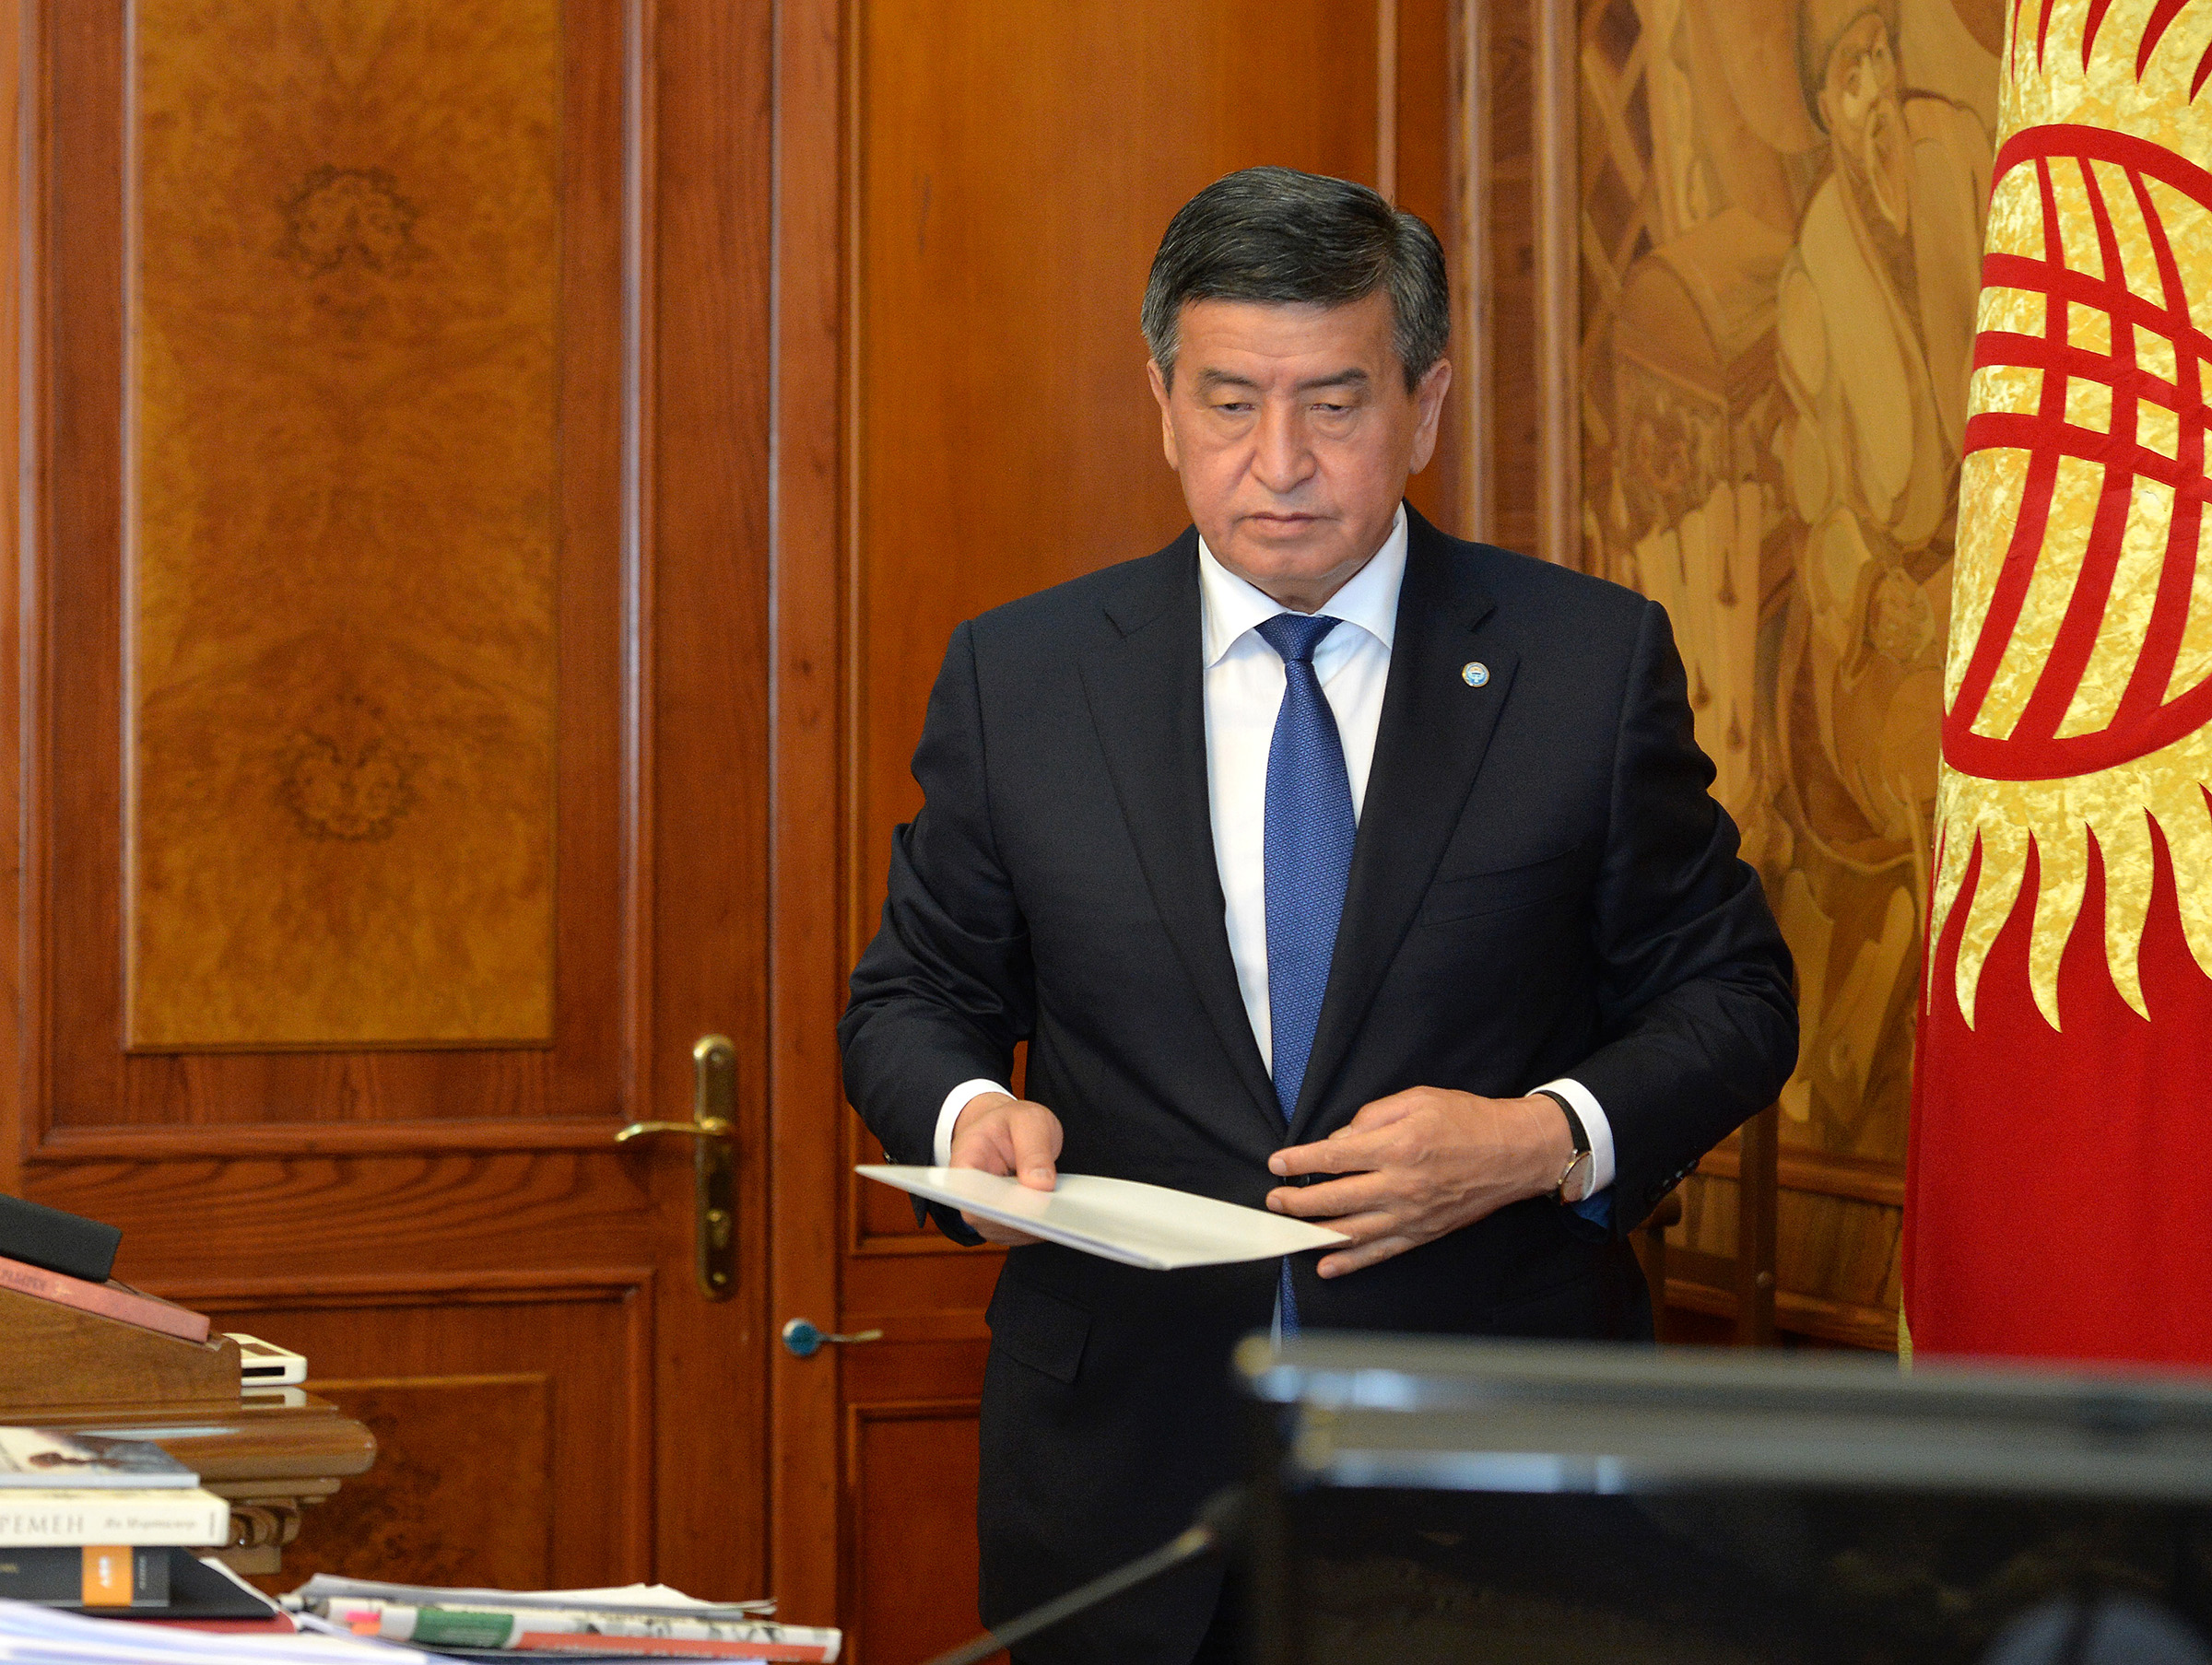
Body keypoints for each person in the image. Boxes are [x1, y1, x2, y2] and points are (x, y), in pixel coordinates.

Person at [840, 167, 1797, 1664]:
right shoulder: (1023, 679)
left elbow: (1734, 996)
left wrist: (1540, 1137)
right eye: (1230, 404)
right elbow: (913, 994)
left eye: (1334, 406)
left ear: (1424, 406)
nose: (1278, 463)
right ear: (1164, 406)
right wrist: (969, 1115)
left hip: (1497, 1491)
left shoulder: (1584, 665)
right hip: (1130, 1491)